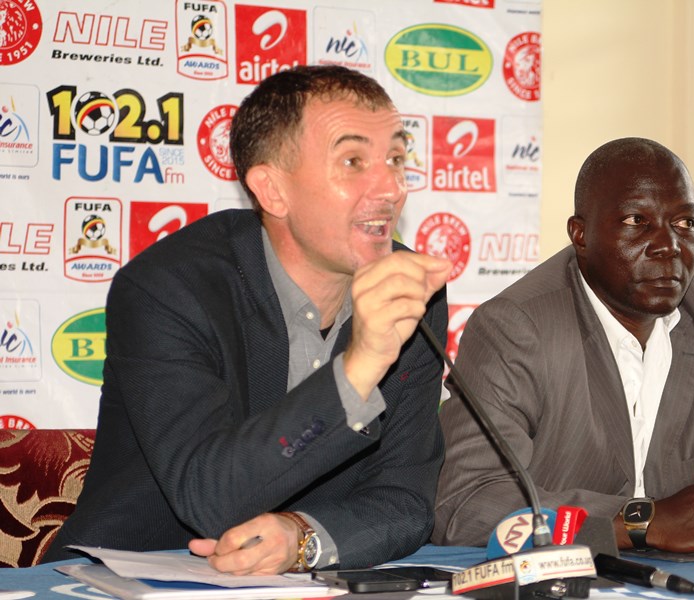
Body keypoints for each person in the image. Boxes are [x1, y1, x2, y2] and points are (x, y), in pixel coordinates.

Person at [44, 65, 452, 575]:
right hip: (129, 575)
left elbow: (408, 500)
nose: (391, 186)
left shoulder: (409, 293)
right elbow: (209, 502)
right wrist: (360, 365)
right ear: (272, 190)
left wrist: (304, 537)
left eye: (395, 157)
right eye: (353, 160)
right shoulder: (169, 289)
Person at [432, 137, 694, 559]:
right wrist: (643, 521)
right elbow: (469, 501)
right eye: (638, 221)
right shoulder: (517, 326)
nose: (668, 245)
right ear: (580, 235)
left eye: (685, 223)